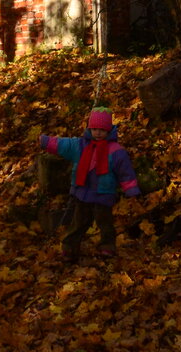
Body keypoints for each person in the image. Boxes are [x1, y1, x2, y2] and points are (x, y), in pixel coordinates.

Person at [38, 107, 140, 262]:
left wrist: (131, 189)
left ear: (109, 130)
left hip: (104, 194)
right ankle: (69, 248)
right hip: (83, 192)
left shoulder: (116, 151)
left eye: (102, 130)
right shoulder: (81, 145)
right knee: (79, 222)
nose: (98, 133)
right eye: (94, 129)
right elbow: (64, 145)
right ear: (89, 129)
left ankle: (107, 247)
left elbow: (125, 172)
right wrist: (47, 142)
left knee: (105, 223)